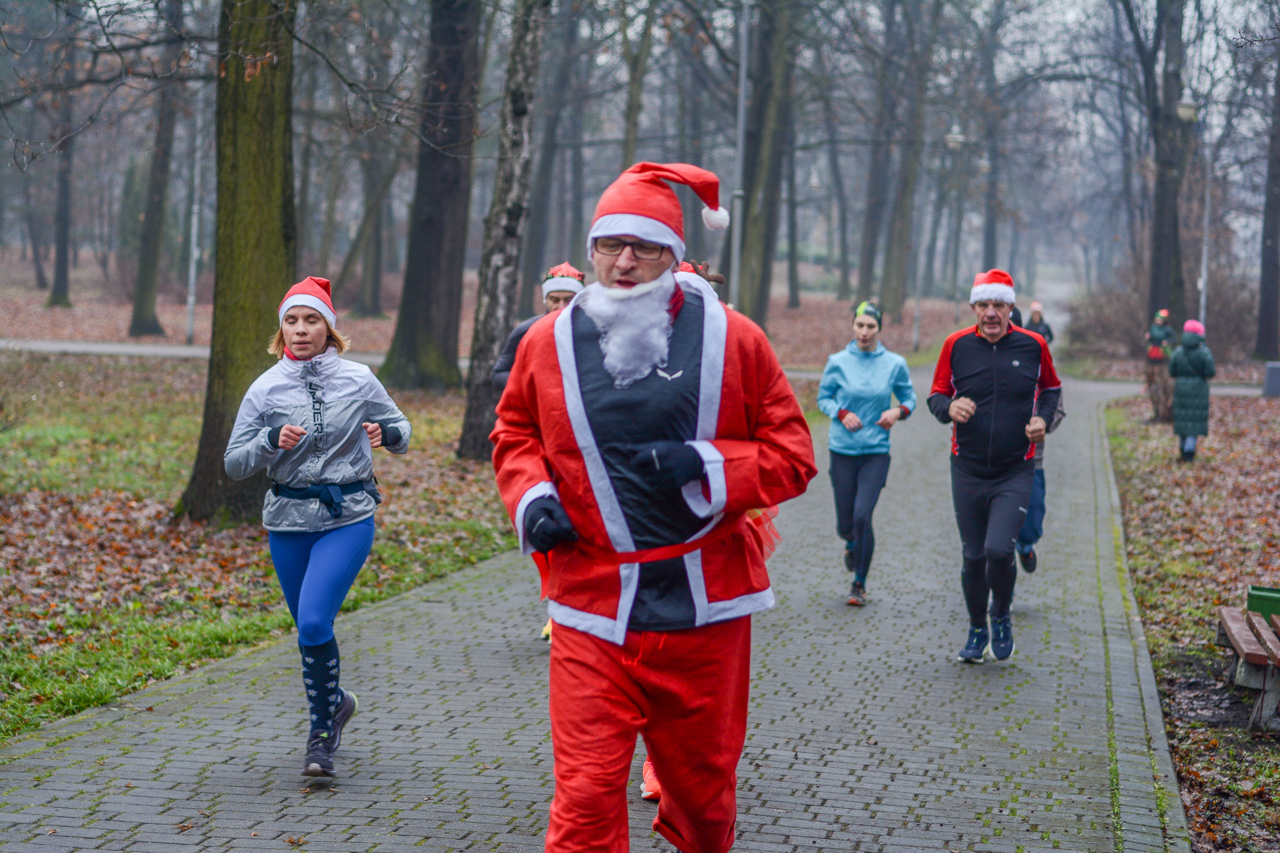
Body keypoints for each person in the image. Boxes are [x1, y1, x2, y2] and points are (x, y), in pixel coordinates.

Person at [491, 161, 816, 853]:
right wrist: (533, 498)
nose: (625, 262)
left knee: (704, 806)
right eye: (611, 245)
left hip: (706, 611)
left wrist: (706, 465)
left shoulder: (736, 339)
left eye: (644, 247)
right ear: (592, 251)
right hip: (591, 604)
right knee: (583, 800)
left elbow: (793, 455)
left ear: (673, 255)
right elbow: (514, 432)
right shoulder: (546, 342)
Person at [224, 276, 411, 779]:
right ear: (281, 329)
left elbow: (402, 430)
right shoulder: (265, 388)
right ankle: (338, 703)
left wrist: (387, 432)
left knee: (311, 623)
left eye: (311, 320)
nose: (301, 329)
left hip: (346, 516)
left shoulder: (359, 378)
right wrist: (269, 440)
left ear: (329, 328)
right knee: (311, 631)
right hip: (286, 522)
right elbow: (234, 463)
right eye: (292, 321)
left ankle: (321, 736)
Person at [928, 269, 1061, 664]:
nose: (991, 312)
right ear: (973, 308)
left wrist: (1043, 420)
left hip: (1014, 468)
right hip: (967, 468)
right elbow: (936, 395)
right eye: (984, 305)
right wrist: (950, 407)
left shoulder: (1034, 345)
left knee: (999, 550)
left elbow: (1052, 389)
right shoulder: (955, 345)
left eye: (998, 305)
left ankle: (1000, 615)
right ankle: (976, 629)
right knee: (973, 556)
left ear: (1010, 308)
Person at [816, 300, 915, 606]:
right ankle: (850, 542)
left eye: (871, 326)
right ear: (853, 325)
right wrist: (841, 412)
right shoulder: (837, 361)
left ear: (879, 329)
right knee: (846, 524)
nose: (864, 331)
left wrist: (897, 412)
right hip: (842, 450)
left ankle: (859, 583)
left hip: (876, 452)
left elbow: (909, 399)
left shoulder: (894, 364)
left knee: (862, 516)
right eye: (860, 325)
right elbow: (823, 398)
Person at [492, 262, 586, 391]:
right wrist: (533, 384)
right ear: (545, 300)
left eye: (568, 300)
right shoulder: (526, 330)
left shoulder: (592, 331)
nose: (561, 306)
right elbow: (498, 375)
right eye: (555, 300)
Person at [1014, 401, 1065, 574]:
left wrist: (1042, 422)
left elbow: (1057, 409)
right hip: (992, 461)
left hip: (1031, 461)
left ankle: (1025, 547)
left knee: (1030, 525)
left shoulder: (1045, 382)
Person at [1169, 319, 1215, 462]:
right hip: (1198, 390)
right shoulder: (1204, 352)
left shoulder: (1177, 351)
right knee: (1194, 421)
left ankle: (1182, 448)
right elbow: (1210, 372)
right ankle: (1189, 451)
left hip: (1180, 389)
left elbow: (1172, 371)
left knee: (1182, 420)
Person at [1145, 309, 1175, 422]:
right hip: (1153, 353)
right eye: (1157, 319)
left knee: (1164, 383)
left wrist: (1166, 342)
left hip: (1162, 355)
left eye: (1160, 319)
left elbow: (1173, 338)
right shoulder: (1152, 328)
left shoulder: (1167, 330)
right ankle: (1157, 412)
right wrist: (1148, 338)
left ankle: (1165, 411)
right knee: (1153, 384)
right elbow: (1150, 338)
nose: (1158, 321)